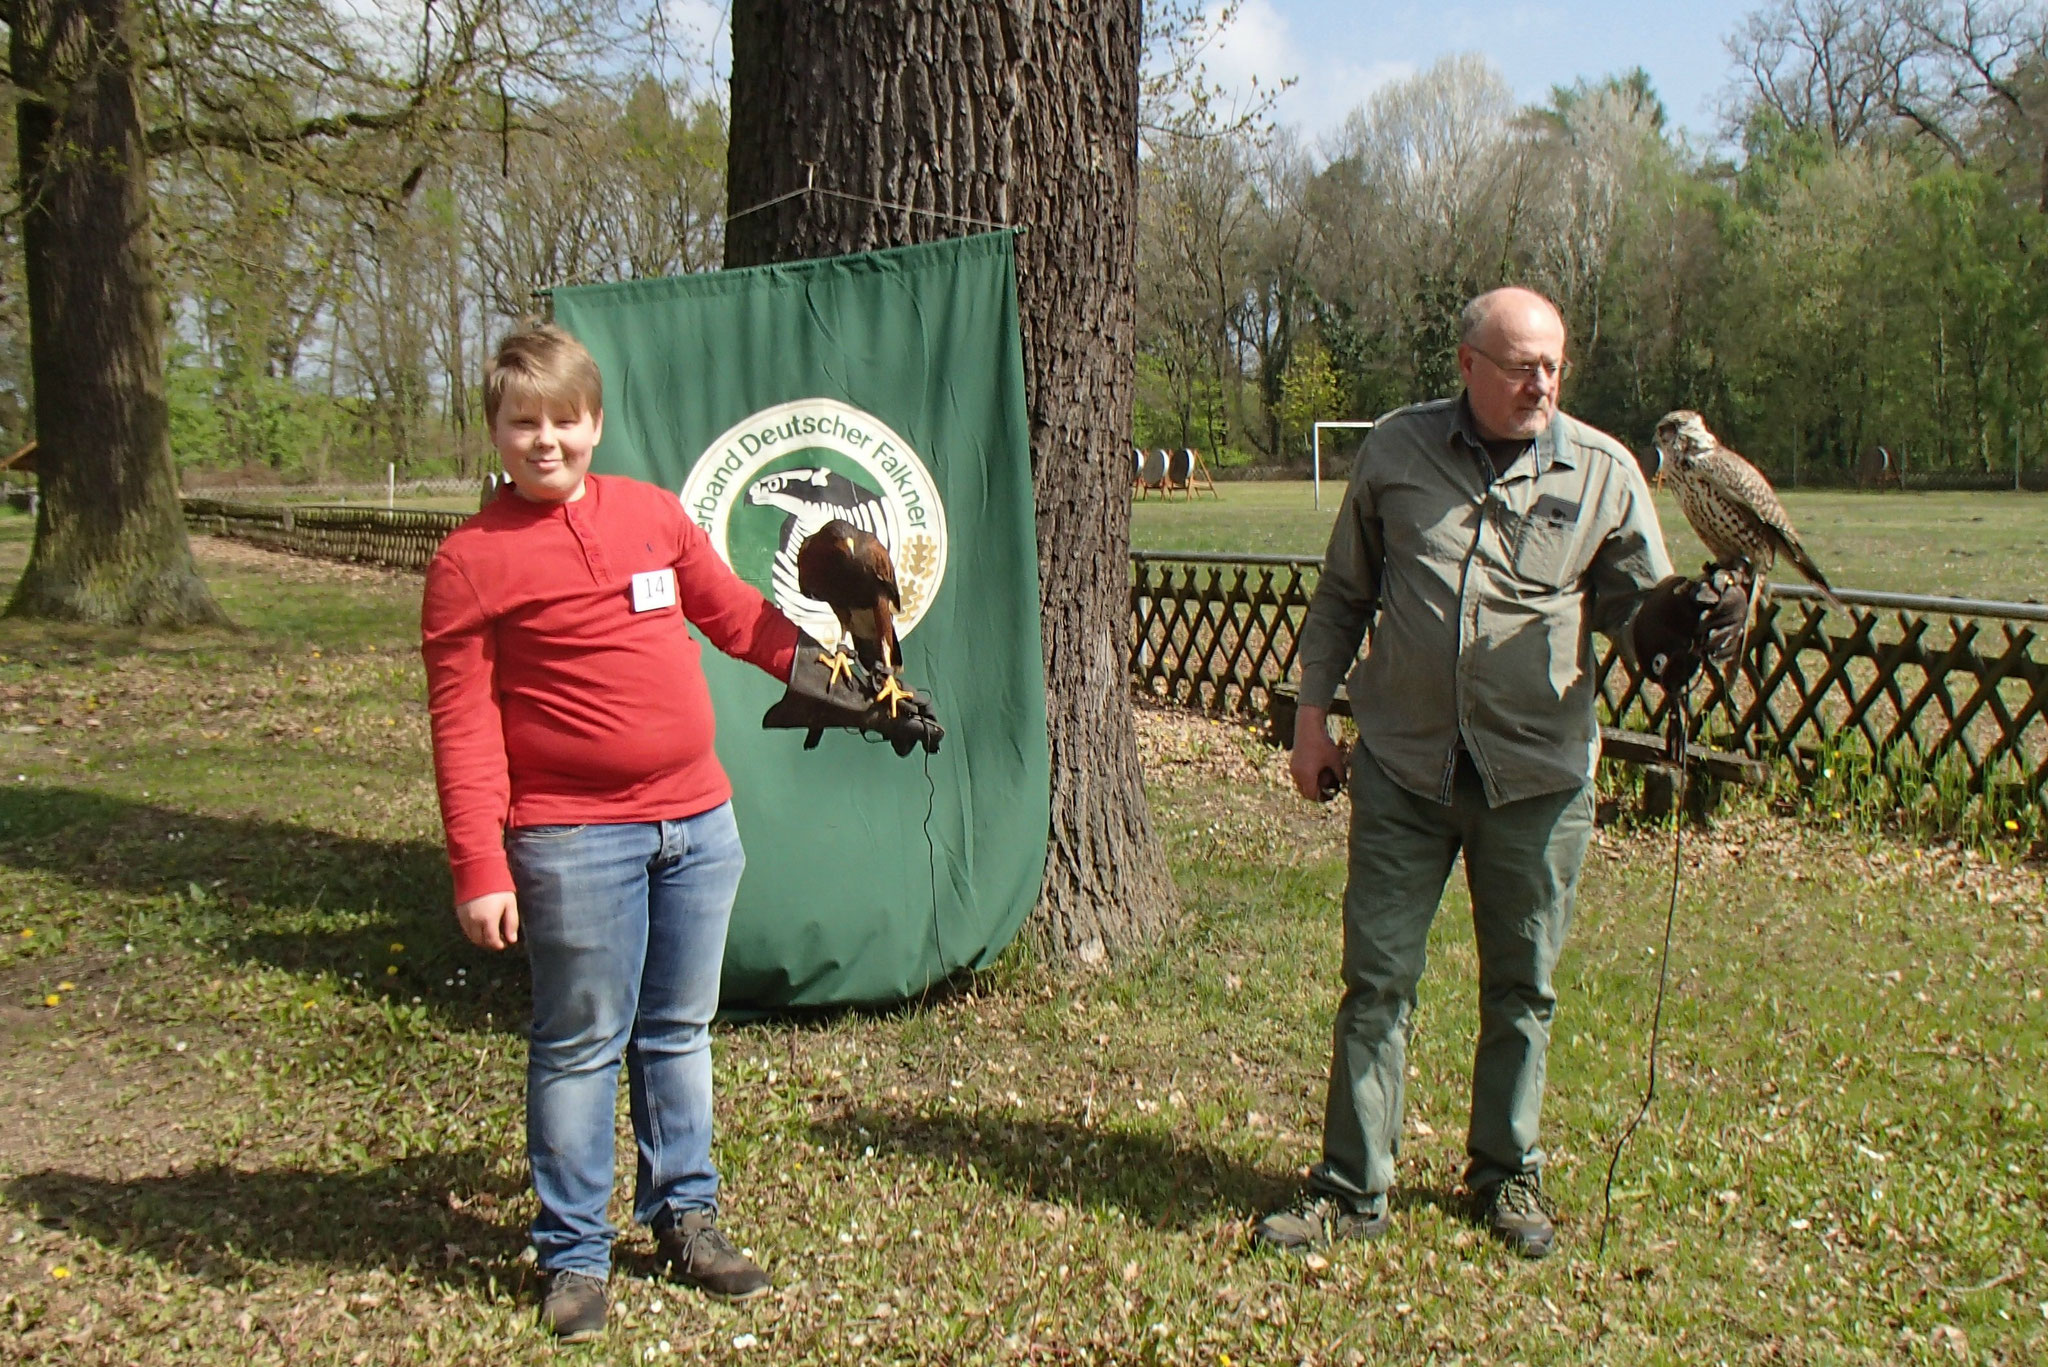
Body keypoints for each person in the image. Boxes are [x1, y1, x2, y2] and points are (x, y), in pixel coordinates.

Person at [421, 325, 938, 1340]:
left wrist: (863, 695)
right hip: (571, 838)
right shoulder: (468, 563)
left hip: (697, 820)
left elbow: (740, 618)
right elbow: (464, 724)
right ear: (494, 430)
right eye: (522, 423)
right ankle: (572, 1253)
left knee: (678, 1029)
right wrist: (480, 862)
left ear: (594, 422)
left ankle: (682, 1214)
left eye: (563, 421)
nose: (545, 442)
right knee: (578, 1043)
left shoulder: (651, 516)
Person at [1252, 287, 1742, 1260]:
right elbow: (1343, 591)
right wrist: (1310, 722)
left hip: (1536, 775)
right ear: (1467, 364)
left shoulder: (1601, 470)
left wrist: (1684, 624)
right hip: (1399, 763)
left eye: (1553, 365)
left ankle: (1502, 1171)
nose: (1540, 383)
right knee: (1376, 978)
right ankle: (1351, 1185)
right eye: (1521, 365)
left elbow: (1634, 608)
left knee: (1521, 984)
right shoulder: (1394, 450)